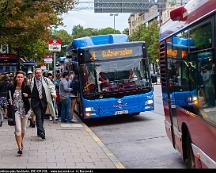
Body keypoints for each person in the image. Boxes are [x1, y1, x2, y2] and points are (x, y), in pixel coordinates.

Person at [7, 71, 31, 155]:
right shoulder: (11, 87)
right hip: (15, 111)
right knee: (18, 129)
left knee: (23, 130)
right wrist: (9, 100)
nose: (19, 78)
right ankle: (19, 148)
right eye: (18, 77)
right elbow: (8, 97)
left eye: (21, 77)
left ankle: (21, 141)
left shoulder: (26, 87)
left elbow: (31, 96)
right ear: (15, 78)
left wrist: (27, 96)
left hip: (25, 111)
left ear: (24, 78)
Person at [30, 68, 56, 140]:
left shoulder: (46, 80)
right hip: (35, 102)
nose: (38, 74)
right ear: (35, 74)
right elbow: (28, 89)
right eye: (37, 73)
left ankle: (39, 131)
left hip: (44, 101)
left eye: (39, 73)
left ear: (41, 73)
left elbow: (52, 87)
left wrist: (53, 94)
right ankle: (42, 132)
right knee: (38, 116)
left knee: (41, 116)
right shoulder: (31, 81)